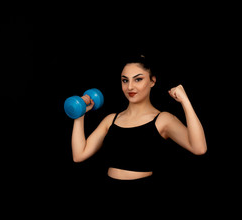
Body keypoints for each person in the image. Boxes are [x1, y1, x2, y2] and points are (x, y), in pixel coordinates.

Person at [70, 54, 207, 200]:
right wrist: (80, 113)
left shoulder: (163, 119)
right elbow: (79, 155)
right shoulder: (111, 120)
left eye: (138, 79)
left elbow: (199, 148)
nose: (130, 87)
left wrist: (185, 101)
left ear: (152, 81)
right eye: (125, 80)